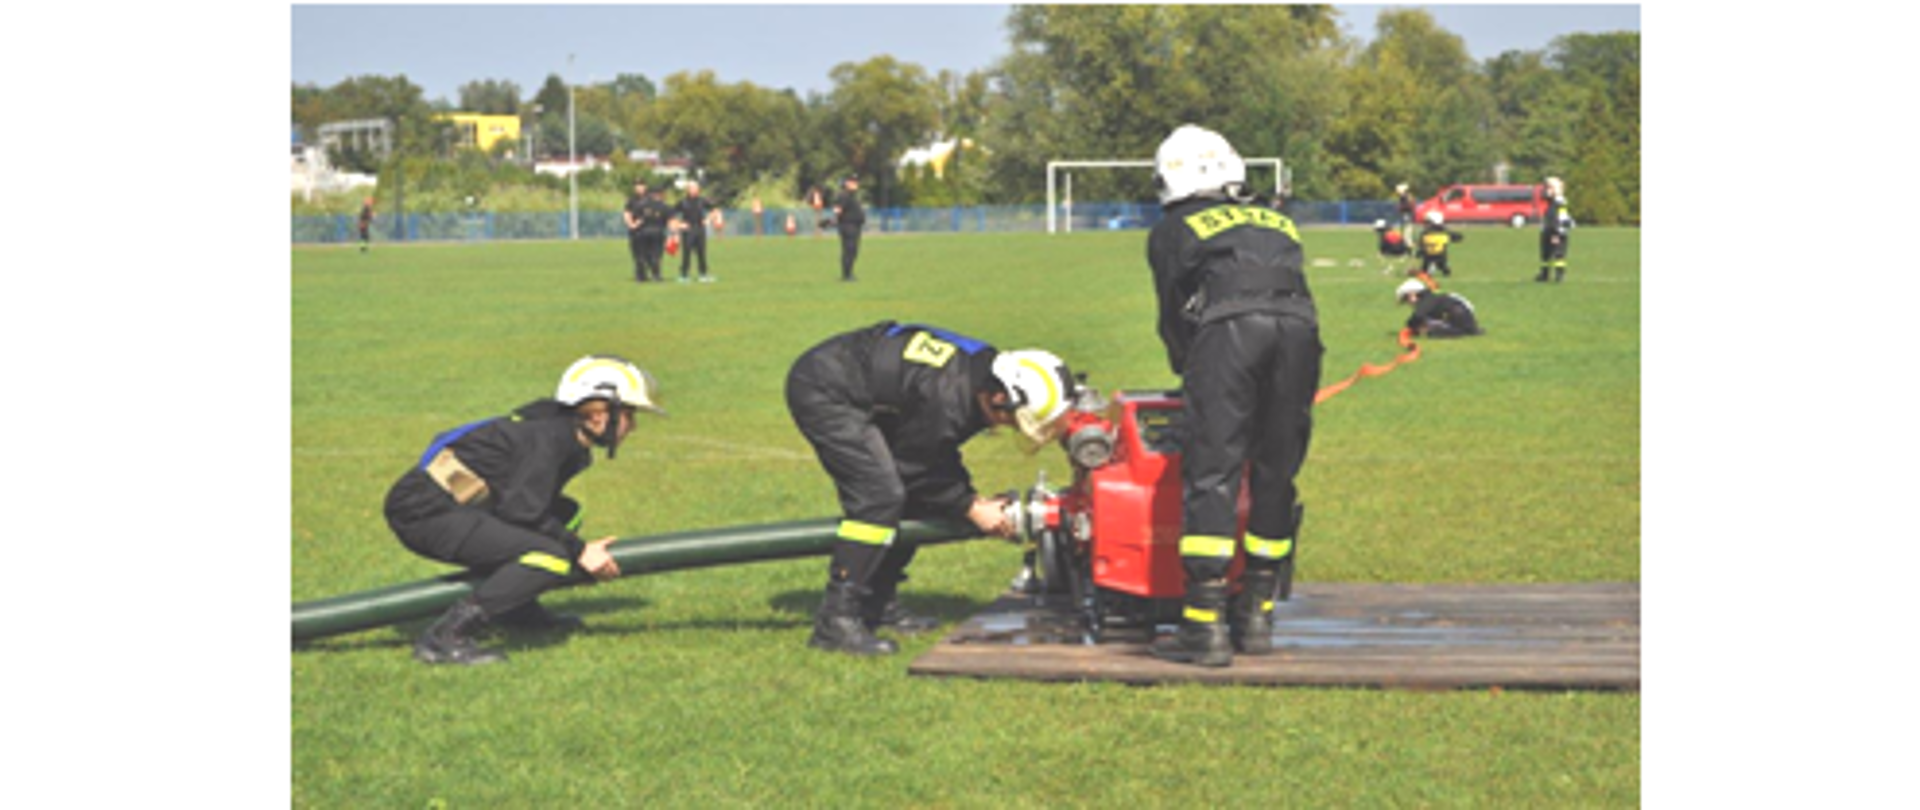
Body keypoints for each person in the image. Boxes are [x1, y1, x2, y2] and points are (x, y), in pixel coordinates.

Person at [785, 321, 1078, 656]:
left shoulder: (977, 379)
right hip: (825, 390)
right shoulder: (949, 397)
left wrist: (969, 499)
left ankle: (877, 604)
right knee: (879, 498)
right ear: (999, 397)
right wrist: (971, 506)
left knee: (916, 498)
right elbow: (918, 465)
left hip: (863, 383)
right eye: (1014, 419)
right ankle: (836, 620)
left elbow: (935, 452)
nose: (1009, 426)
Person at [1145, 124, 1322, 668]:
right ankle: (1257, 615)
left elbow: (1176, 315)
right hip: (1299, 332)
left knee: (1213, 470)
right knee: (1275, 470)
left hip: (1229, 333)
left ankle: (1205, 626)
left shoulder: (1175, 226)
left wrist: (1189, 371)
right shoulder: (1276, 218)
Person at [383, 355, 667, 665]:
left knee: (566, 514)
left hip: (453, 504)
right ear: (599, 413)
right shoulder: (548, 438)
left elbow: (528, 505)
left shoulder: (563, 432)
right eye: (629, 414)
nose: (634, 426)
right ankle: (445, 637)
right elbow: (523, 511)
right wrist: (580, 550)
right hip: (423, 513)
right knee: (549, 557)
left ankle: (516, 608)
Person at [1396, 278, 1483, 337]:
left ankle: (1464, 331)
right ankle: (1469, 330)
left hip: (1460, 317)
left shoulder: (1427, 300)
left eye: (1405, 299)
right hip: (1463, 316)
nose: (1408, 303)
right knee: (1429, 324)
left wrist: (1410, 326)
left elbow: (1417, 316)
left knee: (1432, 331)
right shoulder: (1433, 298)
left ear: (1412, 294)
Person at [671, 180, 719, 283]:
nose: (693, 190)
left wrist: (709, 219)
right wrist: (679, 225)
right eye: (691, 188)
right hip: (688, 230)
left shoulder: (703, 201)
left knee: (701, 253)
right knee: (686, 253)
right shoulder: (682, 202)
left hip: (700, 229)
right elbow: (671, 215)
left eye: (695, 188)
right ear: (687, 190)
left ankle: (703, 275)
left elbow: (715, 210)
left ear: (698, 189)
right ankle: (684, 275)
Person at [1536, 176, 1574, 283]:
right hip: (1549, 230)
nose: (1546, 190)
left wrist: (1556, 233)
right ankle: (1544, 274)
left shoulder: (1559, 202)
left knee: (1558, 254)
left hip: (1555, 231)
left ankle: (1559, 275)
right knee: (1546, 255)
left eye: (1548, 188)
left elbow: (1560, 218)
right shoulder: (1552, 202)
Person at [832, 175, 867, 281]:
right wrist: (834, 221)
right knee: (849, 250)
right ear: (846, 184)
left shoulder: (851, 196)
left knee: (853, 251)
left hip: (854, 226)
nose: (856, 183)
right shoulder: (844, 195)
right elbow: (837, 210)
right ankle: (846, 275)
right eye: (853, 182)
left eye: (856, 181)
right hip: (848, 226)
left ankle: (848, 273)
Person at [622, 180, 657, 283]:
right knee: (637, 255)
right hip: (635, 232)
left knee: (649, 255)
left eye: (641, 185)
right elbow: (626, 212)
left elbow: (650, 214)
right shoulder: (631, 200)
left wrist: (638, 222)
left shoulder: (650, 199)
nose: (639, 188)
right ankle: (640, 276)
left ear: (645, 187)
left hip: (647, 230)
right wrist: (630, 223)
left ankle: (655, 274)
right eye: (637, 186)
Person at [1417, 209, 1467, 279]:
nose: (1425, 224)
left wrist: (1420, 251)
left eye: (1427, 222)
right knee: (1425, 270)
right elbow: (1422, 244)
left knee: (1440, 266)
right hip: (1431, 256)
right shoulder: (1443, 232)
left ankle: (1441, 269)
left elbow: (1422, 244)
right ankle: (1435, 268)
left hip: (1436, 256)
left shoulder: (1439, 233)